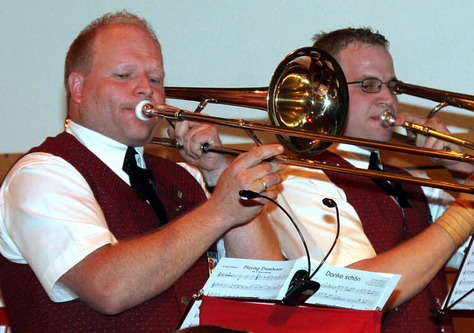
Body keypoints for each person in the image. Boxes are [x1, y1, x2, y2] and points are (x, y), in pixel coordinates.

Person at [0, 11, 284, 332]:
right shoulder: (41, 175)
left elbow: (264, 281)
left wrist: (219, 172)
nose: (145, 90)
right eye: (123, 75)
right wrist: (218, 211)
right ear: (77, 87)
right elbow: (108, 287)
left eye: (156, 79)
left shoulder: (184, 176)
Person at [262, 27, 474, 333]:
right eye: (368, 86)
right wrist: (468, 203)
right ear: (324, 94)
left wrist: (459, 168)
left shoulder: (413, 180)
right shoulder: (299, 180)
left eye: (392, 86)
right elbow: (362, 289)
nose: (387, 99)